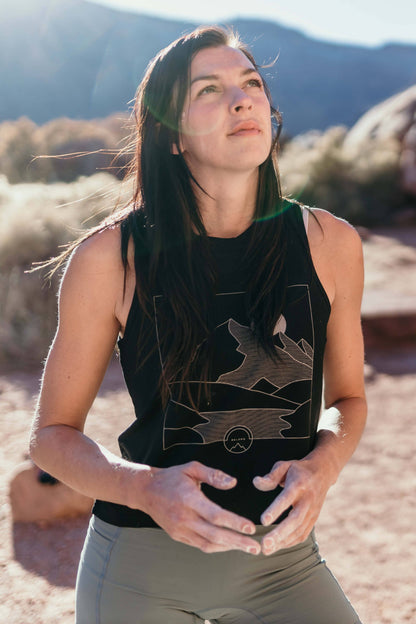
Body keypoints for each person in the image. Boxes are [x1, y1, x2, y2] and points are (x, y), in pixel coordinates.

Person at [30, 25, 367, 624]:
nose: (243, 99)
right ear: (172, 136)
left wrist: (323, 466)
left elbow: (348, 398)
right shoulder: (111, 258)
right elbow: (52, 436)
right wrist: (144, 488)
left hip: (283, 570)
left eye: (252, 83)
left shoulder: (328, 242)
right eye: (209, 90)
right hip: (140, 573)